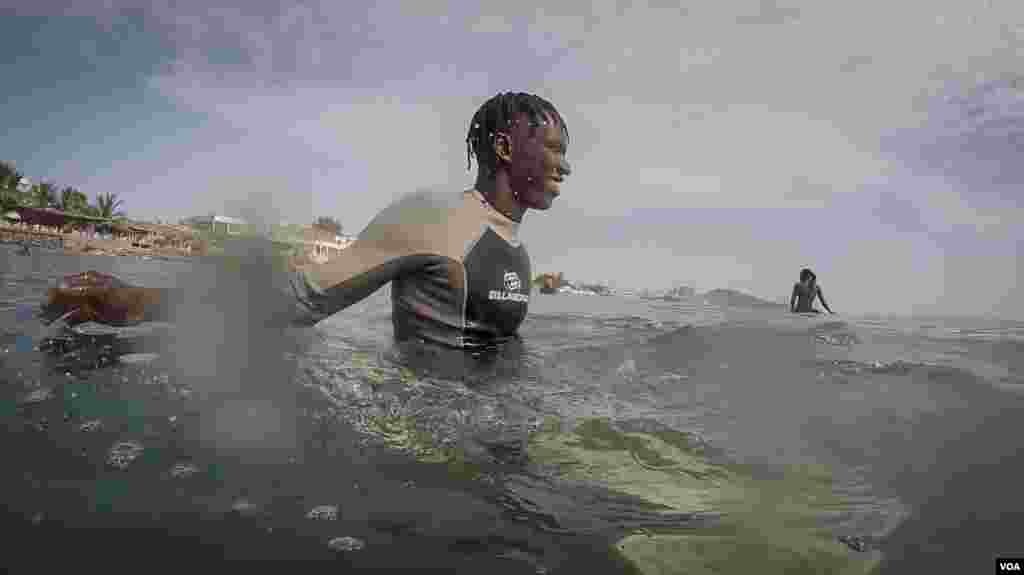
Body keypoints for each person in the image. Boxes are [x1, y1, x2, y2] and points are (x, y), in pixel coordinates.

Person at [38, 92, 572, 351]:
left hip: (495, 439)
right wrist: (138, 303)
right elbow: (298, 301)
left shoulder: (515, 245)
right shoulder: (435, 219)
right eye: (553, 149)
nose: (564, 165)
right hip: (434, 452)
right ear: (504, 147)